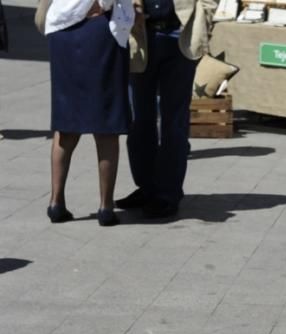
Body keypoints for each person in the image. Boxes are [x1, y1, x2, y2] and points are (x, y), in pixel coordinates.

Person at [115, 0, 217, 218]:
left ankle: (168, 194)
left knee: (174, 122)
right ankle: (147, 187)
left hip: (179, 36)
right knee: (139, 120)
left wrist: (204, 19)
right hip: (141, 35)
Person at [44, 0, 134, 226]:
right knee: (106, 124)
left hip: (62, 28)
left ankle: (56, 202)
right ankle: (105, 206)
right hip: (98, 27)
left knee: (66, 123)